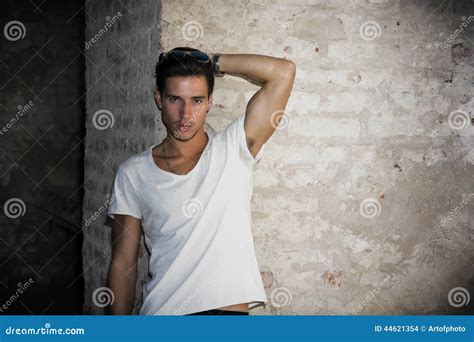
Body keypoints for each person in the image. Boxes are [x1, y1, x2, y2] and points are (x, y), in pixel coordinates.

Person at [105, 47, 296, 315]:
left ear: (210, 102)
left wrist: (211, 62)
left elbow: (283, 72)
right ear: (158, 98)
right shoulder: (133, 173)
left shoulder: (234, 150)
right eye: (175, 99)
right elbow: (123, 263)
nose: (185, 114)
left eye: (196, 100)